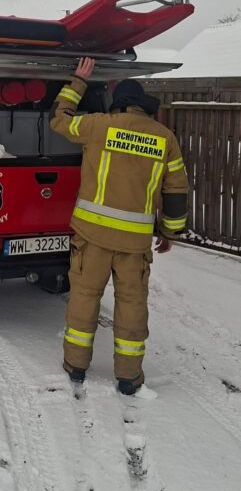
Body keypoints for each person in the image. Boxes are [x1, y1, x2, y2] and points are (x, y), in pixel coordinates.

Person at [50, 58, 189, 394]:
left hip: (92, 237)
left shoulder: (98, 126)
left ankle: (76, 366)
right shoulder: (165, 138)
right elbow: (176, 188)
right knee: (131, 305)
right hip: (135, 244)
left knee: (85, 298)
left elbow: (59, 119)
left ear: (119, 103)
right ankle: (128, 376)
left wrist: (78, 82)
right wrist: (169, 231)